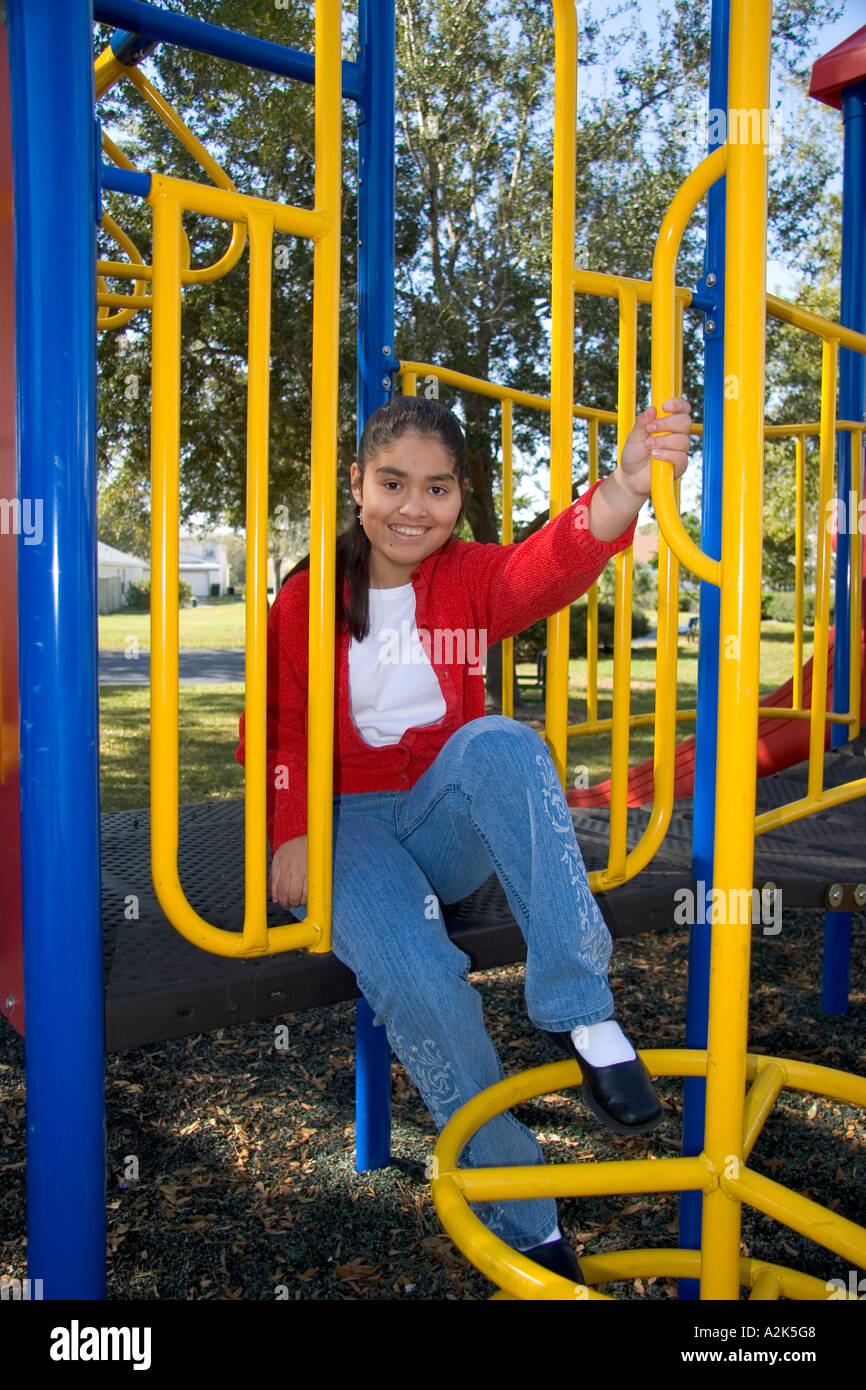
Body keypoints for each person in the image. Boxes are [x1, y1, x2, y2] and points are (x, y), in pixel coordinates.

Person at [236, 392, 691, 1285]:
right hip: (347, 827)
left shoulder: (468, 576)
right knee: (418, 980)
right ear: (356, 484)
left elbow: (549, 565)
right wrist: (290, 831)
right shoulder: (309, 597)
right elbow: (278, 728)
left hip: (441, 815)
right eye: (393, 483)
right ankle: (525, 1217)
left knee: (504, 743)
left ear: (459, 496)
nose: (414, 507)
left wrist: (627, 488)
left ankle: (583, 1013)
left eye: (437, 489)